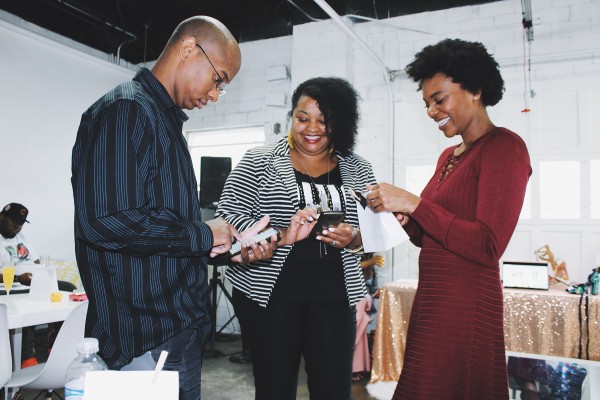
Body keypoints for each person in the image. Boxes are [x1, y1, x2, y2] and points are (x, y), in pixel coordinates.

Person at [71, 16, 274, 400]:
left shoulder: (165, 125)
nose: (215, 95)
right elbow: (105, 222)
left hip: (175, 331)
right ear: (187, 50)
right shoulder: (126, 111)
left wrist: (222, 247)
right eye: (219, 79)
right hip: (142, 338)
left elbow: (157, 232)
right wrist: (202, 232)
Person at [365, 39, 532, 399]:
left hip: (466, 306)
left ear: (474, 89)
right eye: (426, 103)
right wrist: (406, 218)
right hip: (435, 301)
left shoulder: (505, 147)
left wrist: (414, 203)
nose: (431, 111)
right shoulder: (448, 156)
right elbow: (432, 237)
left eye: (439, 99)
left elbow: (487, 245)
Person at [216, 76, 376, 399]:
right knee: (274, 390)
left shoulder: (359, 169)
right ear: (291, 116)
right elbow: (228, 218)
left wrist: (355, 238)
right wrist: (281, 234)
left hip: (335, 298)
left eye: (324, 120)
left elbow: (374, 232)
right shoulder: (258, 161)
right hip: (270, 298)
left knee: (333, 391)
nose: (312, 128)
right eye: (303, 118)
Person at [0, 202, 77, 375]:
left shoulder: (21, 237)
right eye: (14, 221)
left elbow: (35, 261)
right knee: (27, 300)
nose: (17, 227)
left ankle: (55, 345)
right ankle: (26, 356)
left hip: (30, 281)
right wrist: (19, 278)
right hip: (9, 285)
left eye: (21, 223)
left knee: (68, 289)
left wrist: (44, 275)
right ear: (1, 216)